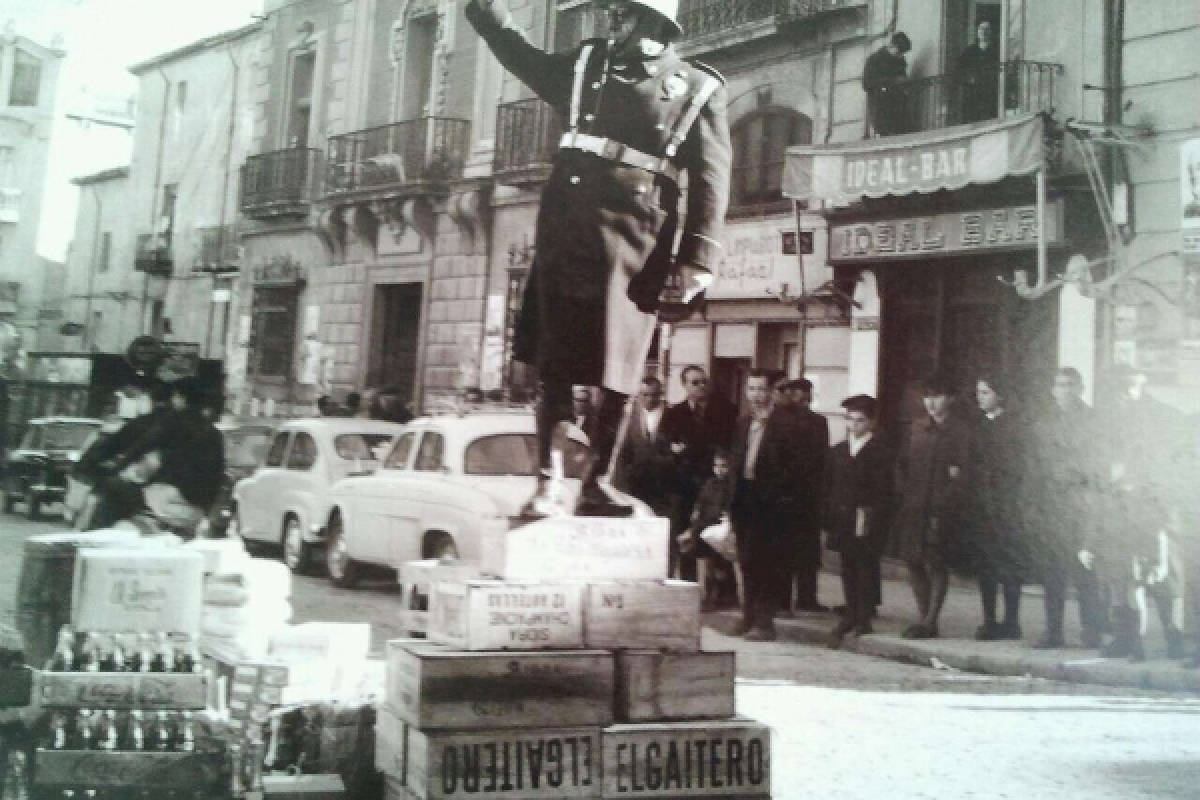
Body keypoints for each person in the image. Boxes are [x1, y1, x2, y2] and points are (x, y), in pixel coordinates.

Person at [466, 0, 732, 518]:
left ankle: (597, 484)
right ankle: (547, 481)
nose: (609, 20)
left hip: (640, 235)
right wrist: (486, 11)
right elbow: (521, 57)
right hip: (569, 223)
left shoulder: (696, 87)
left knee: (622, 366)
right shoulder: (587, 65)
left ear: (654, 22)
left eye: (623, 14)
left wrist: (698, 259)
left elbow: (711, 179)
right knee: (556, 360)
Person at [1028, 367, 1106, 649]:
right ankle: (1053, 631)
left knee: (1085, 568)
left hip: (1082, 503)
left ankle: (1091, 631)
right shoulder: (1044, 423)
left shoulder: (1093, 421)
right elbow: (1036, 464)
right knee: (1052, 571)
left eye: (1071, 385)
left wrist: (1073, 476)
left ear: (1081, 389)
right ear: (1053, 390)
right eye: (1060, 385)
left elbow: (1097, 463)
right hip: (1052, 504)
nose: (1065, 391)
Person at [730, 369, 809, 641]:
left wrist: (767, 427)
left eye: (761, 389)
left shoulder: (787, 424)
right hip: (746, 499)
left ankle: (765, 622)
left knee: (768, 562)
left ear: (772, 392)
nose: (756, 396)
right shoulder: (742, 423)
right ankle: (749, 615)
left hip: (773, 502)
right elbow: (736, 462)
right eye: (751, 389)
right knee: (747, 560)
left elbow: (793, 467)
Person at [892, 375, 970, 640]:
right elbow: (901, 464)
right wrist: (904, 492)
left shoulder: (960, 432)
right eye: (927, 397)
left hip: (940, 509)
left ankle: (931, 619)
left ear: (950, 399)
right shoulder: (916, 428)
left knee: (936, 562)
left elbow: (963, 476)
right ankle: (923, 617)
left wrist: (945, 503)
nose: (932, 403)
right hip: (913, 507)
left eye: (937, 396)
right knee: (913, 560)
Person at [825, 395, 894, 647]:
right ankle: (850, 612)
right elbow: (830, 485)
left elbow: (885, 490)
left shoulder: (880, 451)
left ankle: (863, 616)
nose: (854, 425)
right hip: (842, 516)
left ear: (871, 422)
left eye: (860, 420)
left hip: (866, 516)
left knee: (864, 565)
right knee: (847, 565)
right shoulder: (839, 450)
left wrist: (874, 514)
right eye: (850, 419)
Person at [966, 374, 1031, 641]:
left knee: (1009, 567)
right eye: (979, 393)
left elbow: (1022, 468)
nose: (981, 398)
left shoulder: (1016, 427)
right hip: (983, 505)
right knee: (986, 567)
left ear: (1000, 396)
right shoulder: (977, 426)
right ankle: (989, 620)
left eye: (986, 392)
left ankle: (1012, 621)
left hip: (1008, 506)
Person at [660, 365, 738, 579]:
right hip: (684, 484)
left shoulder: (727, 411)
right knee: (685, 532)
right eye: (695, 382)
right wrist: (673, 452)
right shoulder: (674, 413)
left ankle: (720, 588)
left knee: (716, 534)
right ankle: (688, 580)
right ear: (684, 385)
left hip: (714, 484)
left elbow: (732, 446)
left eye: (704, 381)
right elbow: (663, 447)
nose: (702, 386)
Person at [778, 378, 830, 613]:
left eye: (803, 393)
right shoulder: (779, 420)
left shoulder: (819, 422)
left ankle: (807, 598)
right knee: (785, 548)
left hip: (809, 494)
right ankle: (783, 599)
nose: (799, 398)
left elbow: (822, 459)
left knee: (808, 550)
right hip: (784, 494)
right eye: (794, 393)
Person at [681, 447, 737, 611]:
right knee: (700, 540)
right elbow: (701, 502)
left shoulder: (732, 486)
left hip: (720, 525)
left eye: (723, 466)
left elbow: (728, 507)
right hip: (706, 523)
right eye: (716, 466)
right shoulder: (710, 483)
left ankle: (717, 594)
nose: (719, 470)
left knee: (710, 544)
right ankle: (705, 592)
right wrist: (696, 512)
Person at [612, 376, 674, 517]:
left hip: (663, 484)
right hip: (637, 483)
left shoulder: (672, 415)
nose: (650, 399)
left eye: (654, 395)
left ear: (661, 394)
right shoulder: (630, 416)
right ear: (639, 395)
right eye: (645, 395)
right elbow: (624, 449)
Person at [862, 32, 912, 136]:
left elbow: (902, 77)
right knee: (886, 133)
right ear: (892, 46)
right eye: (899, 52)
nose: (901, 55)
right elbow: (866, 84)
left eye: (902, 53)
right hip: (880, 106)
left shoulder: (900, 61)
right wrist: (892, 80)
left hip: (897, 106)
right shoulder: (874, 60)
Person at [957, 19, 999, 123]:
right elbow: (959, 71)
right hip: (972, 94)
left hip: (990, 95)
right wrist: (968, 79)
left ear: (991, 32)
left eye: (987, 29)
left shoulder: (997, 52)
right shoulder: (969, 51)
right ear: (977, 31)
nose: (983, 31)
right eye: (981, 28)